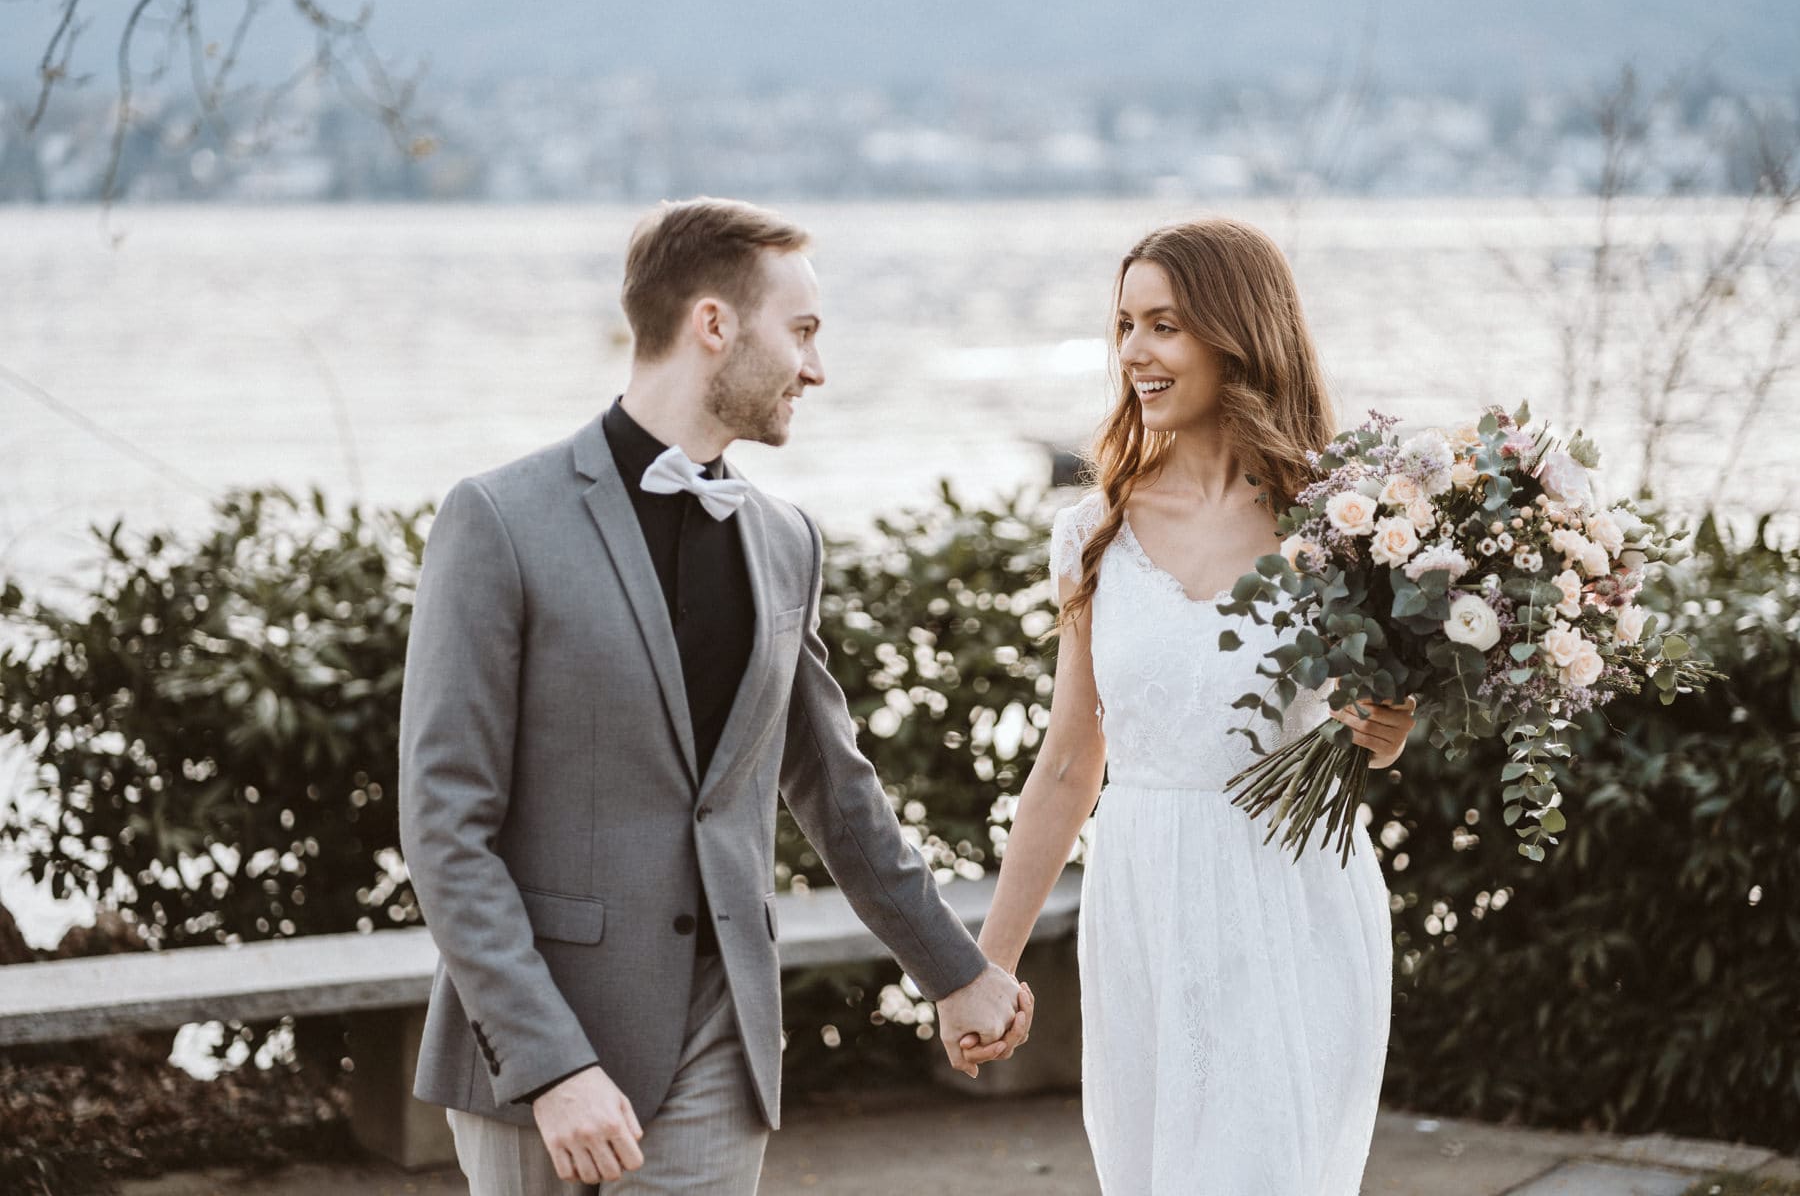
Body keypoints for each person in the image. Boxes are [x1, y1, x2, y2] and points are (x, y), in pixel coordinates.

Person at [398, 197, 1032, 1196]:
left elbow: (833, 783)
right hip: (539, 1045)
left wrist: (954, 968)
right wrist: (552, 1064)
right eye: (805, 332)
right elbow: (444, 829)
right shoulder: (498, 521)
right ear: (713, 325)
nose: (817, 368)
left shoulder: (787, 542)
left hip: (723, 1038)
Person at [970, 217, 1416, 1193]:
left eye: (1164, 324)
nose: (1134, 351)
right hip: (1144, 904)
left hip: (1295, 899)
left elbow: (1364, 731)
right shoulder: (1093, 532)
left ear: (1236, 334)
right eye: (1125, 324)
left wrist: (1383, 731)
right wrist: (989, 965)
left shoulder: (1340, 524)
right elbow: (1065, 763)